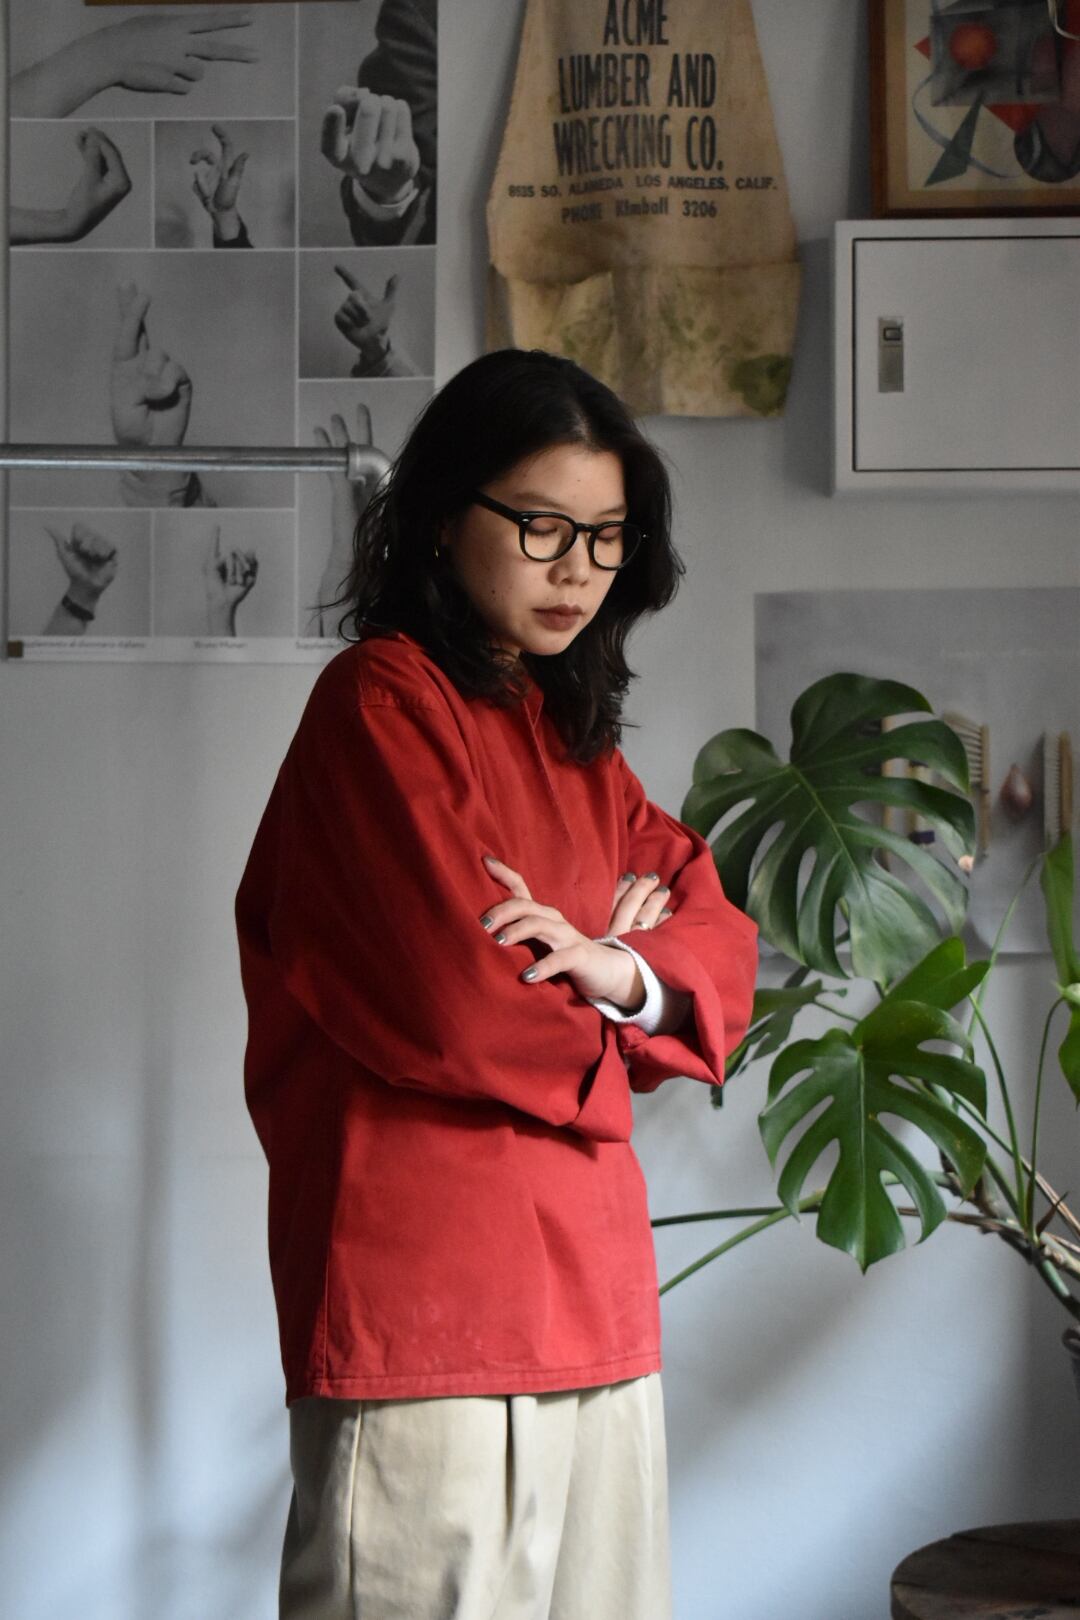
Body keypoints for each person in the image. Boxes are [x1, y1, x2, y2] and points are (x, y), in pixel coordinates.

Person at [235, 348, 759, 1620]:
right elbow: (457, 998)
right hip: (425, 1309)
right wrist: (621, 1019)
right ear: (440, 517)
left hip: (598, 1300)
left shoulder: (580, 749)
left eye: (608, 537)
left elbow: (718, 946)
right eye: (541, 526)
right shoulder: (379, 707)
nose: (578, 568)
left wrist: (616, 970)